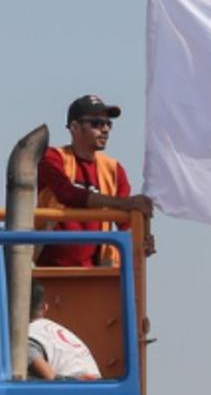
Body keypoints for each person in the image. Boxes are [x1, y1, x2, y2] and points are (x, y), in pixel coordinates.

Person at [36, 95, 153, 268]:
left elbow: (126, 223)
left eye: (108, 124)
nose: (105, 129)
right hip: (49, 270)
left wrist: (141, 239)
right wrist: (124, 203)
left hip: (95, 274)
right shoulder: (52, 158)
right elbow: (67, 193)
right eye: (96, 124)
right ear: (75, 128)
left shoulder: (114, 170)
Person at [27, 282, 100, 381]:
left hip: (78, 389)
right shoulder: (55, 329)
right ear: (45, 308)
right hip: (97, 386)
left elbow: (52, 378)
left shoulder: (28, 336)